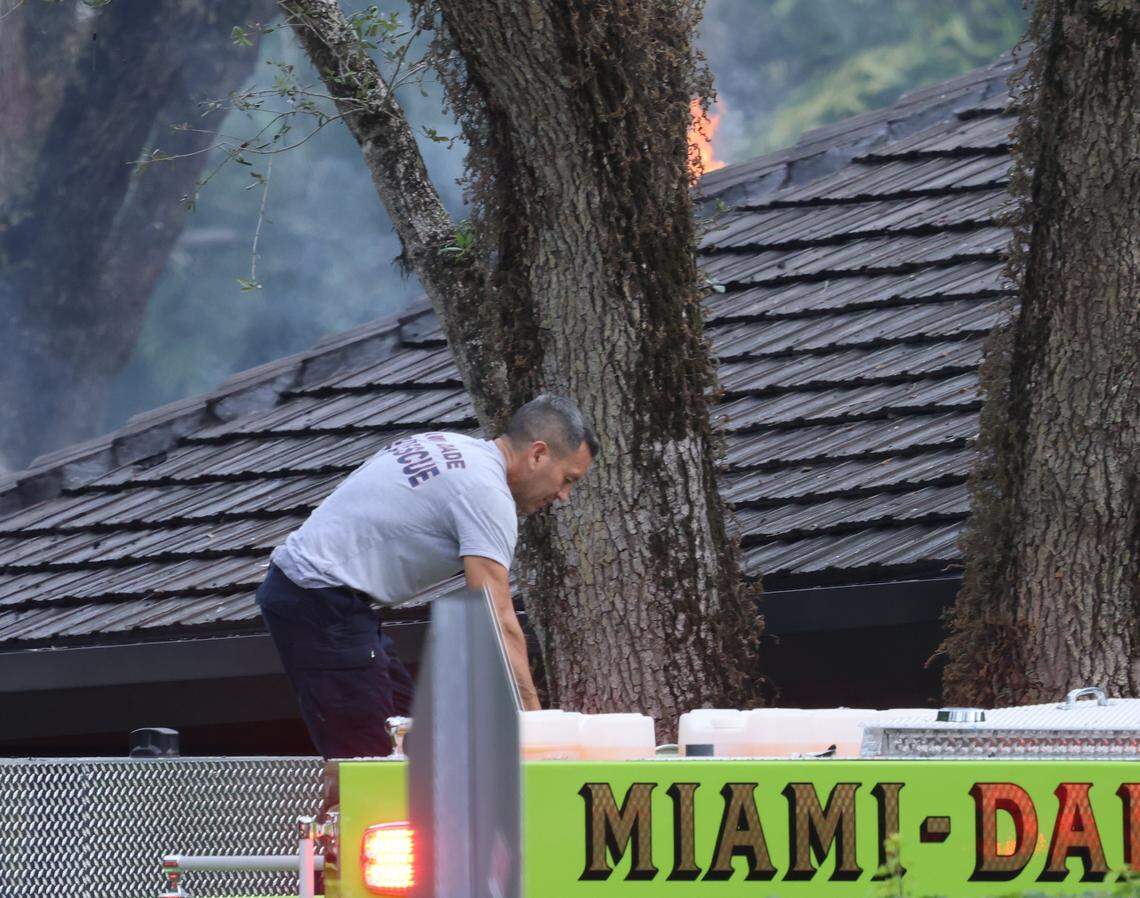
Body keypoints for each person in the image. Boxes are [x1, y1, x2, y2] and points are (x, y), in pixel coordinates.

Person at [256, 394, 598, 758]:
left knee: (410, 739)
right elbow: (494, 617)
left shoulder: (451, 446)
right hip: (318, 597)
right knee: (370, 759)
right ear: (538, 454)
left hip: (327, 597)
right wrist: (535, 726)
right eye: (567, 479)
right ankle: (348, 804)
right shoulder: (487, 493)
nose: (564, 495)